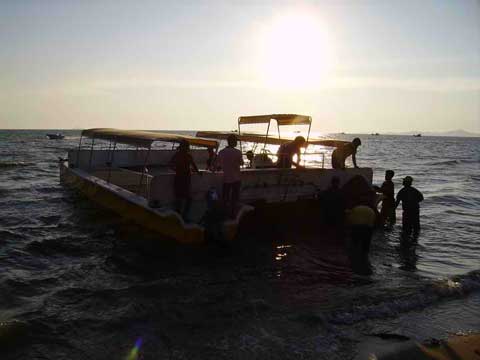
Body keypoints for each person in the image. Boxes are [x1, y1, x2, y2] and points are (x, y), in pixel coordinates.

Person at [169, 140, 201, 220]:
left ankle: (178, 214)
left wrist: (175, 170)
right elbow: (194, 165)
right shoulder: (188, 156)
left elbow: (170, 164)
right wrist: (198, 172)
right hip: (186, 178)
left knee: (178, 197)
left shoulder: (177, 155)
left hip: (179, 177)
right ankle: (184, 215)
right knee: (188, 198)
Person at [216, 134, 244, 218]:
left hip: (226, 179)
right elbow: (241, 163)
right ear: (233, 141)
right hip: (236, 179)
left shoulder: (221, 152)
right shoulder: (238, 152)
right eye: (235, 141)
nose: (236, 142)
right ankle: (233, 215)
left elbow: (218, 165)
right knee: (234, 199)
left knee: (225, 199)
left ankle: (225, 214)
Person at [347, 204, 376, 275]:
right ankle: (365, 259)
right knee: (365, 246)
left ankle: (356, 261)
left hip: (356, 227)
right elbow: (374, 221)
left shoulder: (355, 208)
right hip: (368, 228)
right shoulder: (371, 210)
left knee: (354, 244)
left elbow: (350, 220)